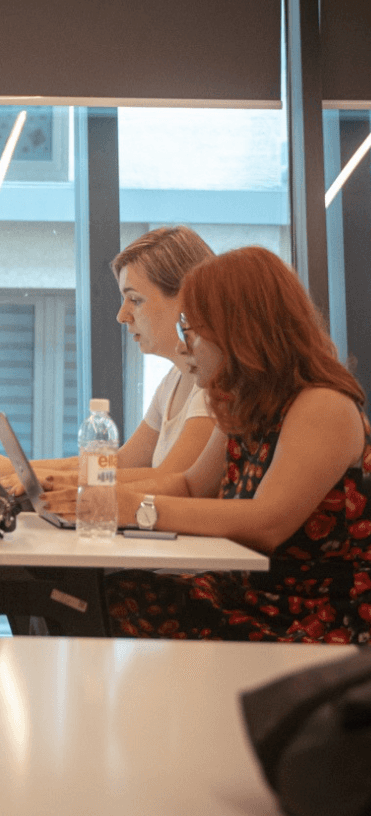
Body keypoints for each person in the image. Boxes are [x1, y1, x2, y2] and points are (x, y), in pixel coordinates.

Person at [43, 246, 371, 643]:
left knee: (102, 607)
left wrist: (137, 509)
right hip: (252, 594)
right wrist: (94, 498)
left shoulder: (323, 405)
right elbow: (190, 485)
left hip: (314, 615)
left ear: (239, 331)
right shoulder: (244, 400)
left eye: (192, 331)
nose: (184, 347)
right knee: (77, 599)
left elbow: (267, 522)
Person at [0, 226, 221, 490]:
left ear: (186, 298)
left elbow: (170, 480)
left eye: (135, 299)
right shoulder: (174, 380)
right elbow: (119, 463)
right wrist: (17, 468)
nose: (122, 316)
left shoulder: (212, 386)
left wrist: (52, 480)